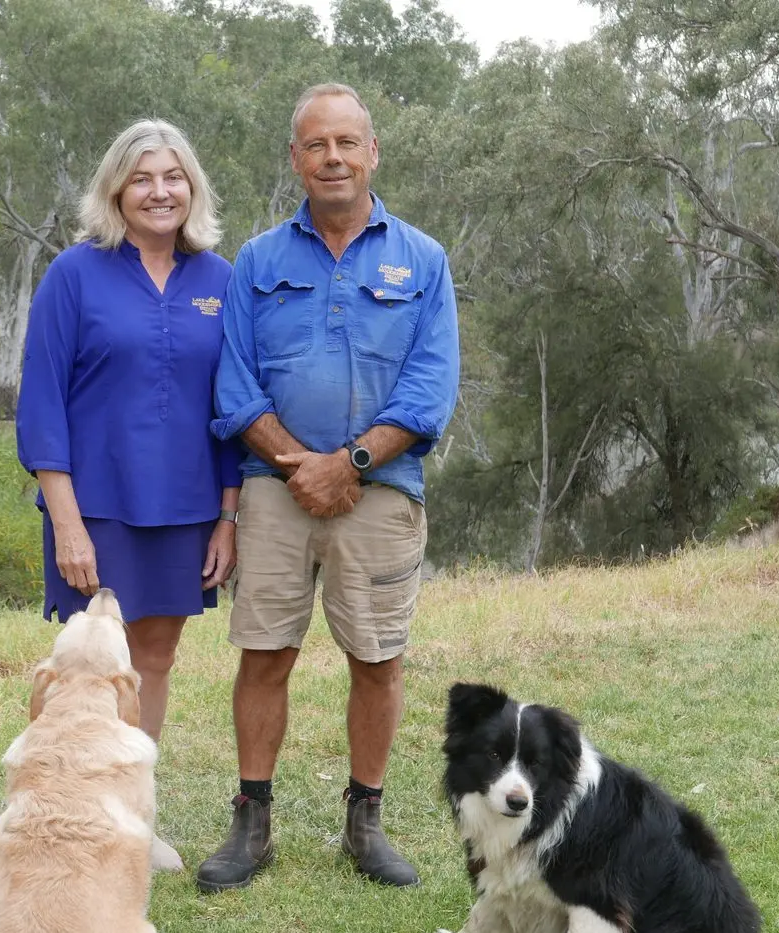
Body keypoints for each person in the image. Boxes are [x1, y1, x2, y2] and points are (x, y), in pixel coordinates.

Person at [196, 84, 461, 893]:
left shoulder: (423, 260)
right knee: (265, 652)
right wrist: (297, 465)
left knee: (377, 659)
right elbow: (234, 388)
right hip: (276, 491)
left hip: (378, 491)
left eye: (348, 142)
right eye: (317, 145)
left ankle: (366, 821)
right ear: (296, 159)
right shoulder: (258, 261)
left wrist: (347, 463)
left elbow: (427, 391)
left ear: (373, 152)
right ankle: (252, 821)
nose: (334, 158)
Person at [15, 119, 241, 871]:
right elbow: (43, 404)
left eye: (173, 177)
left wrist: (229, 516)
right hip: (97, 507)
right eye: (142, 178)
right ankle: (58, 811)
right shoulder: (74, 275)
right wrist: (68, 524)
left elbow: (236, 404)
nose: (159, 191)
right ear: (116, 189)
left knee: (153, 661)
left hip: (188, 508)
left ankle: (126, 820)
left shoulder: (220, 281)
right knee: (85, 667)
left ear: (192, 189)